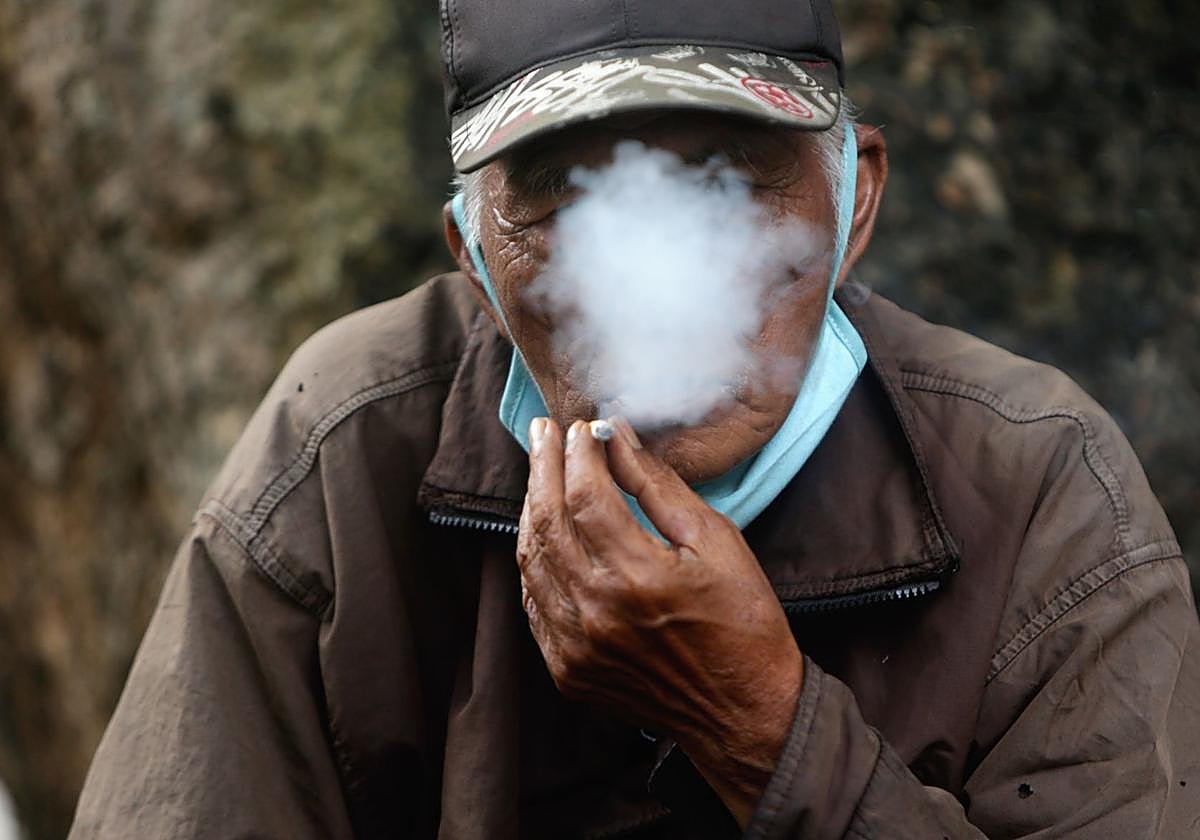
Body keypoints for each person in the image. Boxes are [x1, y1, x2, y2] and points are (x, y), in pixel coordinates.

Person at [71, 2, 1199, 838]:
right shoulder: (344, 452)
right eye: (563, 187)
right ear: (471, 253)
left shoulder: (1044, 492)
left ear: (856, 204)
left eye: (729, 171)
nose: (651, 280)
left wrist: (765, 729)